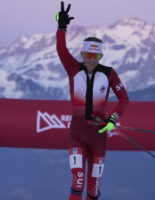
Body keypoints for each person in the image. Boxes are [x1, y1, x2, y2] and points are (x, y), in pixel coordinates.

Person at [55, 2, 129, 200]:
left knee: (93, 188)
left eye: (95, 56)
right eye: (88, 55)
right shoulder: (73, 69)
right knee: (77, 180)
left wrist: (113, 118)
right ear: (82, 54)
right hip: (77, 133)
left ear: (101, 56)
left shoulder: (109, 73)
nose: (91, 60)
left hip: (99, 134)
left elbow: (124, 98)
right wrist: (61, 27)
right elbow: (61, 50)